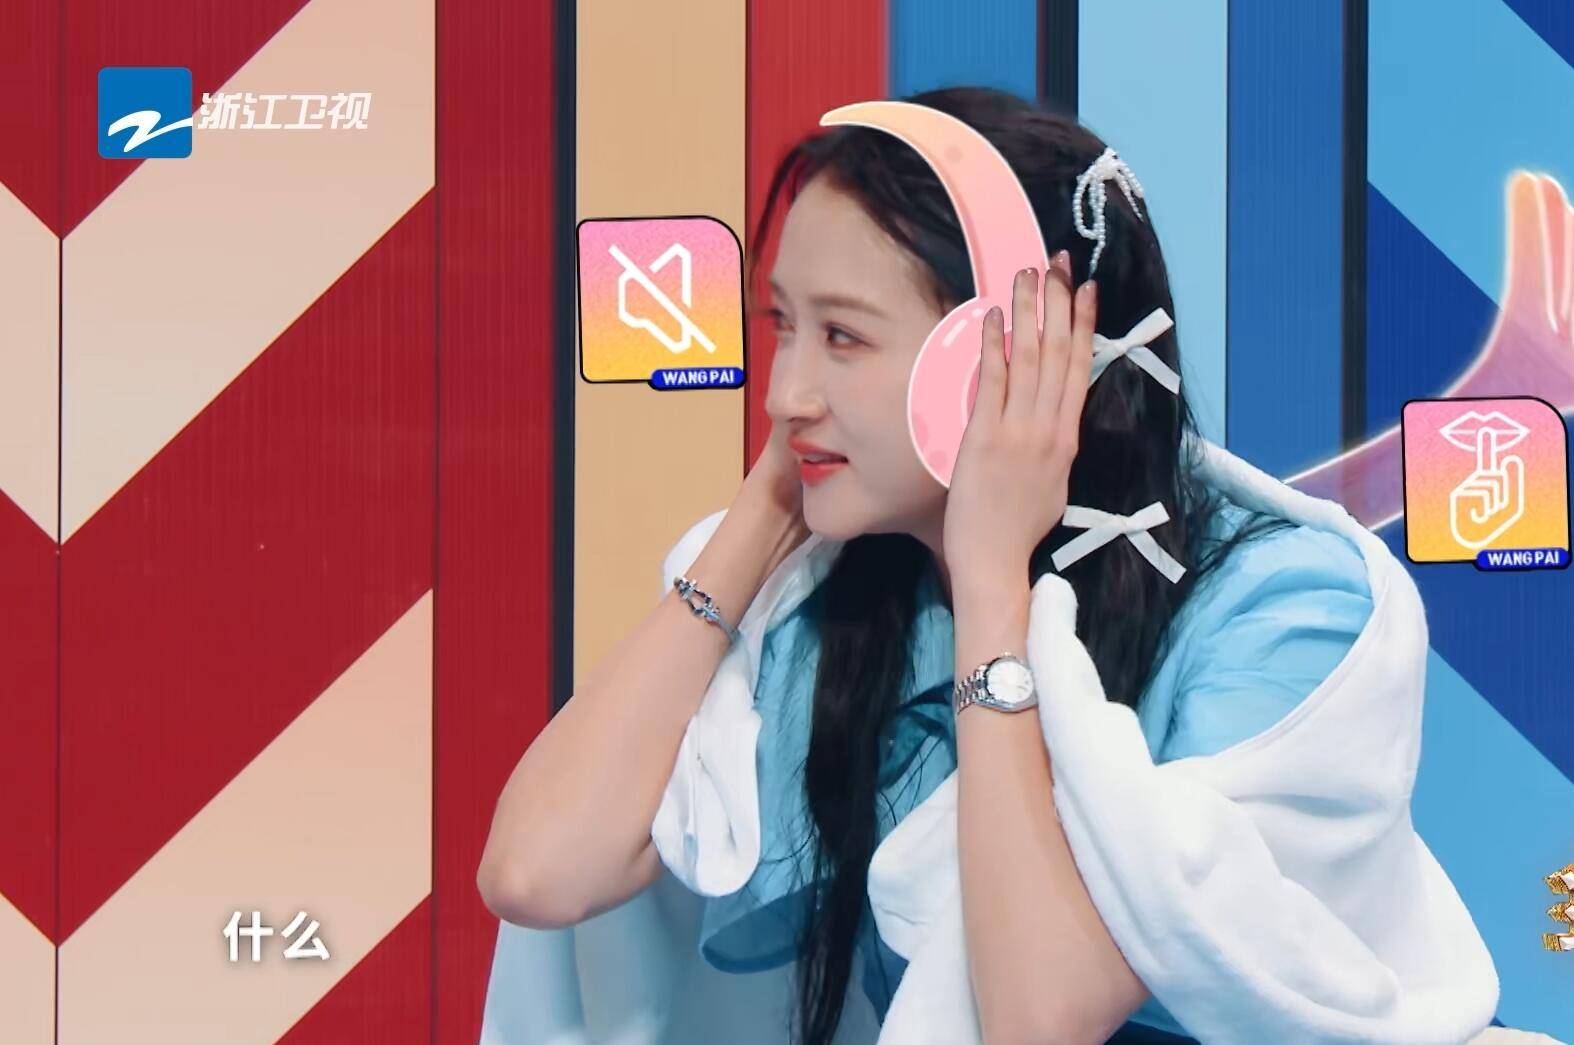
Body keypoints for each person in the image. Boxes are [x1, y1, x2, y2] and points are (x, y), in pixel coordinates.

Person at [477, 87, 1498, 1045]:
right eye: (784, 326)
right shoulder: (834, 589)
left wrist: (992, 584)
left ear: (1002, 352)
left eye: (843, 336)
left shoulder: (1279, 604)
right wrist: (765, 512)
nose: (786, 391)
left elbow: (1040, 1015)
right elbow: (536, 873)